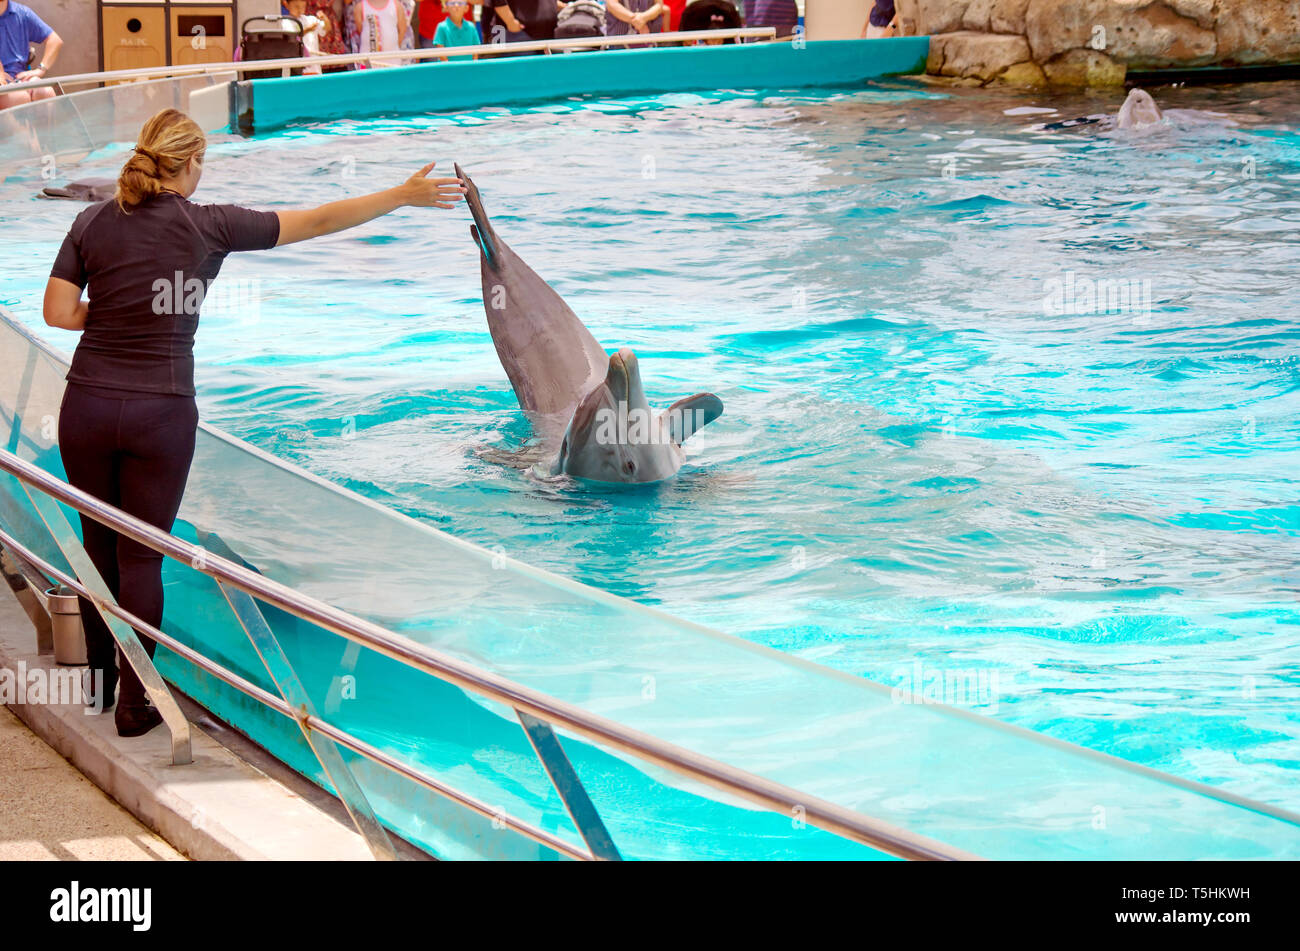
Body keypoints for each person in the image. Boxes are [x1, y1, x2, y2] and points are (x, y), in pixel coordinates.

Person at [43, 108, 464, 737]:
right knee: (141, 561)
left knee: (99, 549)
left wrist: (111, 320)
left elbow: (56, 312)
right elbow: (319, 220)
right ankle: (135, 710)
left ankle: (101, 689)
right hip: (160, 413)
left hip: (88, 407)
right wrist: (401, 197)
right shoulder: (209, 224)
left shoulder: (91, 220)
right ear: (189, 164)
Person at [0, 0, 62, 110]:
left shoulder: (22, 13)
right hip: (5, 86)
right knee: (19, 97)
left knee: (46, 92)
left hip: (19, 79)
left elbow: (55, 40)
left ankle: (44, 127)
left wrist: (41, 69)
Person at [354, 0, 409, 66]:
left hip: (392, 59)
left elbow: (402, 29)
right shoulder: (360, 7)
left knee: (393, 75)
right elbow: (360, 29)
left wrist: (391, 46)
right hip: (368, 60)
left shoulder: (396, 5)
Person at [286, 0, 329, 73]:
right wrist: (307, 30)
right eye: (296, 7)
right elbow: (293, 37)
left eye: (303, 7)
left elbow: (326, 30)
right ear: (287, 5)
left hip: (314, 68)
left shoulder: (310, 19)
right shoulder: (285, 22)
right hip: (297, 69)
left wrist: (325, 19)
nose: (299, 10)